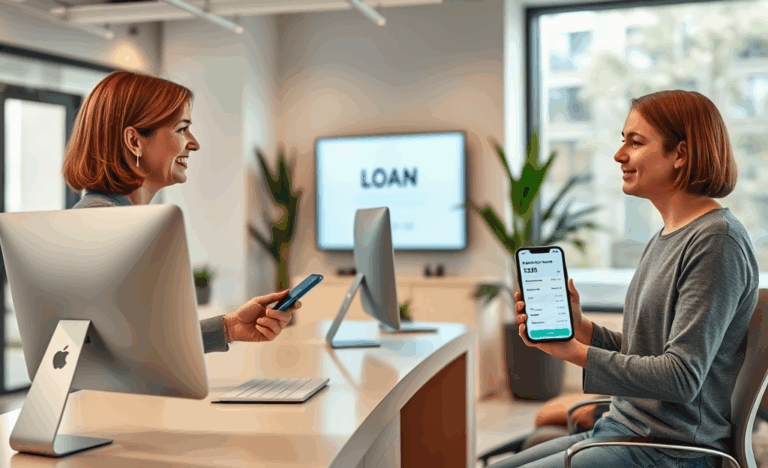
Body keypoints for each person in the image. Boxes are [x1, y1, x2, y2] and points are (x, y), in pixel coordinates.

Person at [490, 90, 759, 468]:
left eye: (635, 142)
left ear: (680, 154)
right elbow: (647, 351)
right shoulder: (667, 235)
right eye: (623, 141)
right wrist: (582, 329)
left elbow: (681, 376)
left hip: (669, 451)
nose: (620, 155)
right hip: (625, 429)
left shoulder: (717, 241)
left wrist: (577, 354)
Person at [62, 71, 299, 354]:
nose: (194, 143)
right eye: (181, 128)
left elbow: (139, 343)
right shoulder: (112, 226)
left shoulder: (101, 217)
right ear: (135, 142)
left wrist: (229, 327)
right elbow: (129, 355)